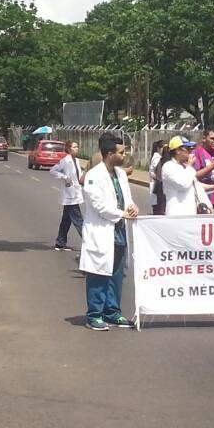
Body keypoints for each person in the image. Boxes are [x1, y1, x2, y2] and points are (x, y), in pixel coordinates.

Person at [79, 133, 139, 331]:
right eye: (121, 152)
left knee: (117, 274)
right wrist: (122, 213)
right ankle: (94, 314)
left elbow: (127, 197)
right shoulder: (93, 177)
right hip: (102, 231)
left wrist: (132, 207)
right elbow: (99, 206)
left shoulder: (120, 174)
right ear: (110, 153)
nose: (125, 155)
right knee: (98, 274)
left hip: (119, 230)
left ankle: (112, 312)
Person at [161, 137, 214, 216]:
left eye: (191, 149)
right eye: (187, 149)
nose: (191, 152)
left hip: (191, 214)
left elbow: (196, 186)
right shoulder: (168, 167)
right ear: (177, 151)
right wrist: (189, 166)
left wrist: (210, 206)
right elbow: (183, 184)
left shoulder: (187, 168)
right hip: (176, 214)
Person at [50, 139, 84, 250]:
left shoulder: (77, 161)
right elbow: (53, 171)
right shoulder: (65, 161)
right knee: (78, 220)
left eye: (77, 146)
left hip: (75, 192)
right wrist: (64, 177)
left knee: (66, 220)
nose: (76, 149)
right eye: (74, 147)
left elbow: (79, 176)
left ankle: (60, 242)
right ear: (69, 149)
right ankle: (88, 242)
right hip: (70, 195)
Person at [146, 140, 165, 214]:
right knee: (157, 207)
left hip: (155, 184)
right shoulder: (157, 157)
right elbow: (156, 172)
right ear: (158, 148)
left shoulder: (157, 156)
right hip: (156, 185)